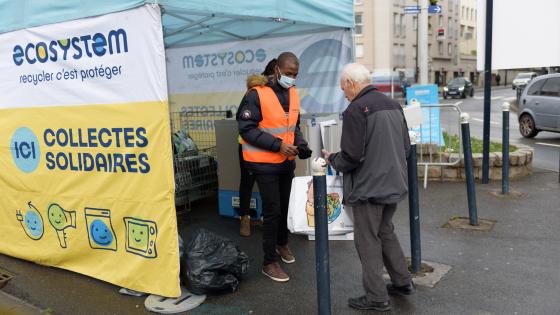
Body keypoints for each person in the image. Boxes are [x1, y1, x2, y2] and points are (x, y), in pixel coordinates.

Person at [322, 63, 414, 311]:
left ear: (351, 83)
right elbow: (406, 148)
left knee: (368, 241)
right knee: (386, 232)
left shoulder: (355, 110)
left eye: (344, 89)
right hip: (393, 183)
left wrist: (332, 159)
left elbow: (352, 156)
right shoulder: (393, 104)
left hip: (367, 188)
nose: (344, 94)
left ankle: (376, 297)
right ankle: (403, 282)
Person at [238, 52, 312, 282]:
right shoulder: (255, 94)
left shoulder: (293, 94)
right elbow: (247, 129)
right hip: (263, 164)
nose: (292, 78)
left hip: (285, 163)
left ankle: (281, 244)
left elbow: (293, 127)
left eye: (295, 74)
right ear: (277, 70)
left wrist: (300, 144)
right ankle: (268, 262)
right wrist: (278, 146)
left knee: (284, 208)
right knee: (272, 211)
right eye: (288, 73)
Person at [236, 59, 278, 237]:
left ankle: (262, 217)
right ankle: (244, 219)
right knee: (247, 182)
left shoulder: (279, 92)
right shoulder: (254, 92)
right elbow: (243, 119)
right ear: (274, 74)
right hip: (249, 146)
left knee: (266, 185)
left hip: (268, 147)